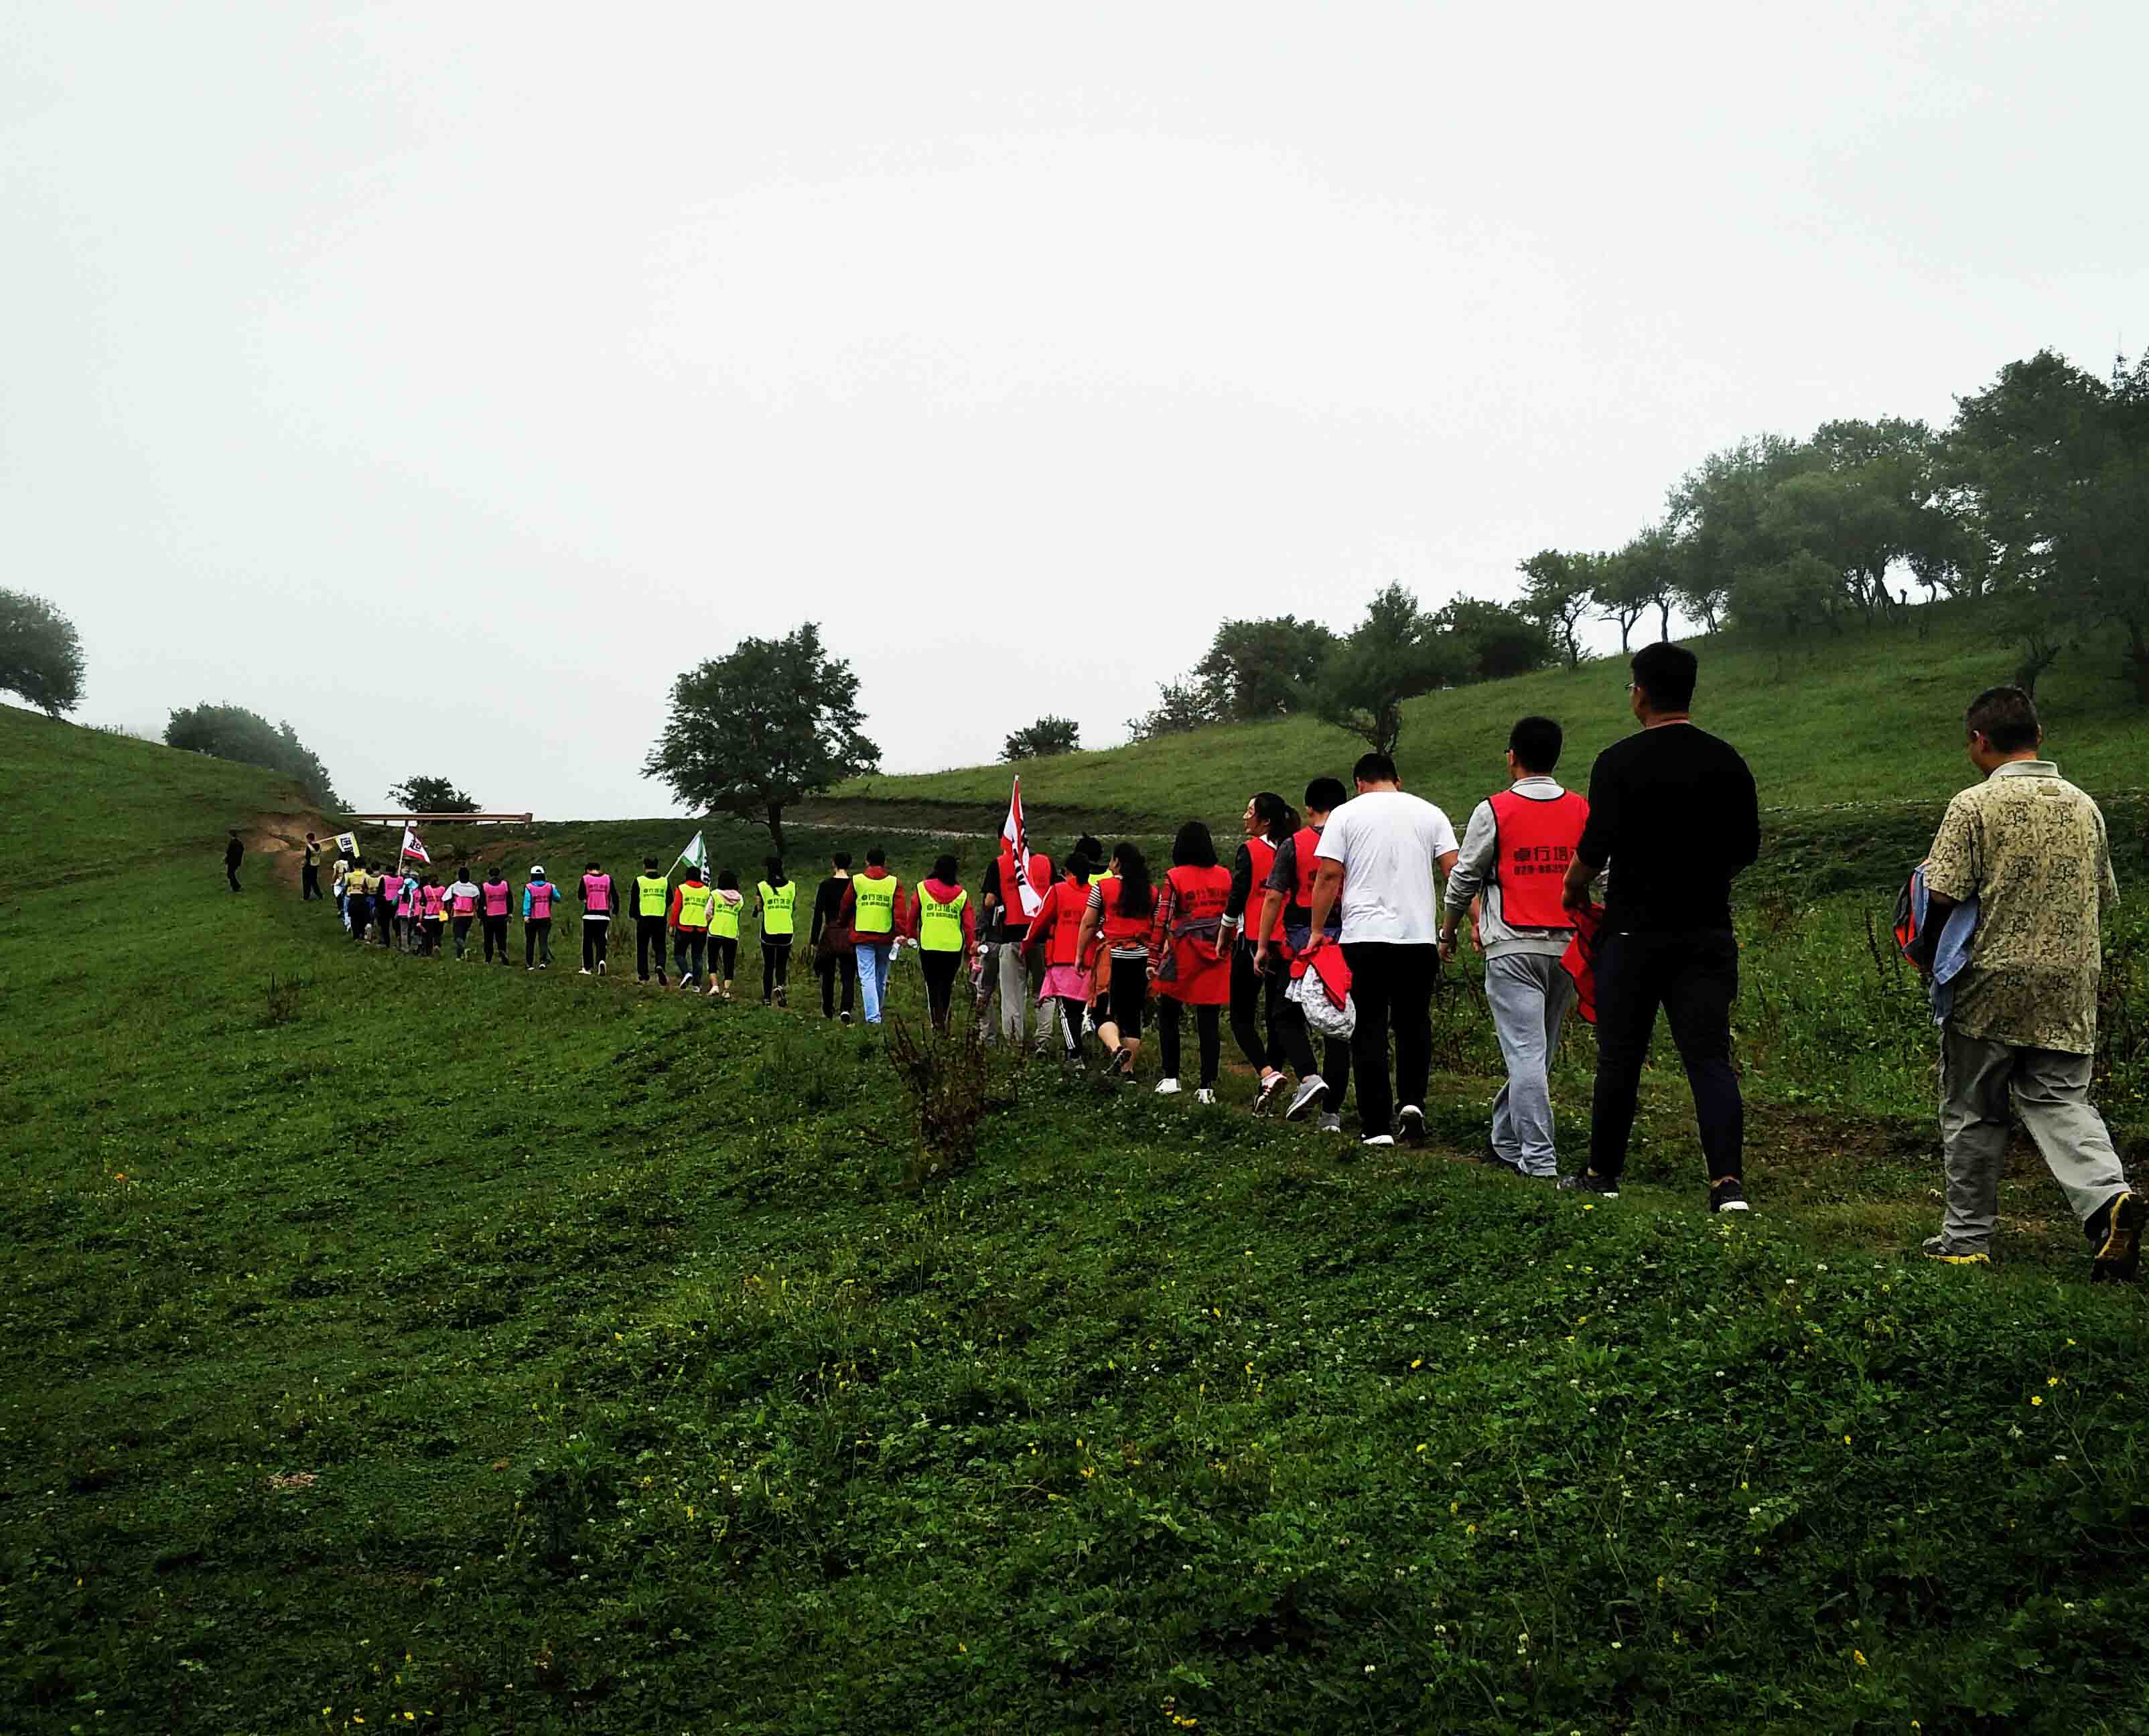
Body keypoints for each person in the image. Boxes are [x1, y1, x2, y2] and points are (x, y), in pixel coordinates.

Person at [1911, 685, 2140, 1277]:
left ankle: (1966, 1239)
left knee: (1975, 1109)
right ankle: (2107, 1199)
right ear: (2039, 737)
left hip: (1989, 983)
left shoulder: (1971, 807)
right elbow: (2102, 894)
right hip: (2070, 984)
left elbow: (1941, 893)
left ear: (1979, 742)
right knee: (2062, 1100)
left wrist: (1928, 953)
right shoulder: (2084, 806)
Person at [1556, 642, 1758, 1210]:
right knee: (1708, 1057)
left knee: (1619, 1056)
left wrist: (1572, 889)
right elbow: (1746, 847)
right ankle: (1727, 1185)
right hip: (1706, 931)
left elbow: (1595, 848)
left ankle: (1603, 1175)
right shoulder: (1727, 760)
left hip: (1632, 934)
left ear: (1640, 693)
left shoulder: (1617, 761)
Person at [1440, 717, 1590, 1180]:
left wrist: (1447, 931)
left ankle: (1539, 1162)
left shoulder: (1495, 810)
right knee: (1536, 1055)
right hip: (1567, 945)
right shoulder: (1583, 810)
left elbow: (1464, 877)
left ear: (1512, 757)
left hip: (1512, 944)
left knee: (1525, 1055)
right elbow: (1602, 877)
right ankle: (1505, 1142)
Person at [1305, 752, 1460, 1149]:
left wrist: (1318, 929)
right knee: (1413, 1024)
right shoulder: (1431, 813)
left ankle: (1376, 1127)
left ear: (1358, 782)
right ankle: (1412, 1102)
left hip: (1364, 939)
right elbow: (1455, 872)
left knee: (1369, 1028)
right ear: (1398, 780)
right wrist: (1463, 924)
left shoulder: (1345, 815)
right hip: (1418, 938)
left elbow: (1329, 874)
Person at [1253, 776, 1353, 1134]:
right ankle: (1332, 1116)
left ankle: (1309, 1076)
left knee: (1284, 1015)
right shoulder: (1354, 841)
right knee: (1338, 1026)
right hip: (1347, 940)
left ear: (1308, 807)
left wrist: (1263, 945)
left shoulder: (1294, 844)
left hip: (1301, 941)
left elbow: (1274, 896)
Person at [1150, 822, 1233, 1100]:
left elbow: (1163, 919)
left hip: (1182, 955)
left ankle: (1171, 1077)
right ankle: (1207, 1086)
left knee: (1169, 1014)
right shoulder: (1224, 876)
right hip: (1217, 954)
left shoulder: (1174, 876)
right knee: (1208, 1021)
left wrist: (1152, 957)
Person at [1225, 793, 1296, 1112]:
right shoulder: (1295, 847)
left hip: (1253, 940)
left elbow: (1238, 895)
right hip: (1290, 942)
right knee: (1277, 1015)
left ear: (1265, 820)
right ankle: (1274, 1075)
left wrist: (1225, 932)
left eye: (1250, 812)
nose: (1244, 817)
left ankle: (1267, 1073)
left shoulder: (1251, 851)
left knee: (1241, 1016)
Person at [1076, 841, 1155, 1080]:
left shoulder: (1103, 887)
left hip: (1112, 957)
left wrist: (1080, 953)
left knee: (1100, 1012)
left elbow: (1089, 923)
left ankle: (1116, 1049)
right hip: (1141, 957)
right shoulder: (1151, 891)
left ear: (1117, 863)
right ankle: (1127, 1072)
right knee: (1132, 1015)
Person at [1023, 849, 1099, 1060]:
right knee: (1081, 1009)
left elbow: (1039, 921)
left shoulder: (1058, 891)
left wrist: (1025, 945)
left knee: (1066, 1011)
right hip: (1089, 961)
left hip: (1062, 961)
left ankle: (1074, 1056)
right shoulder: (1096, 893)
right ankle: (1079, 1052)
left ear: (1070, 873)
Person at [977, 837, 1052, 1048]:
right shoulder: (1046, 862)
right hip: (1041, 936)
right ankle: (1043, 1040)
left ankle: (1014, 1042)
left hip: (1012, 937)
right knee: (1043, 990)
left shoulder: (999, 864)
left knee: (1012, 994)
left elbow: (989, 901)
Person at [839, 849, 906, 1024]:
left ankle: (873, 1018)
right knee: (881, 977)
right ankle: (877, 1011)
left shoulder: (857, 881)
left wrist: (842, 923)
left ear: (866, 862)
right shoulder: (894, 883)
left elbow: (846, 905)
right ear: (885, 863)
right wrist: (901, 933)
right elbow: (900, 912)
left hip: (862, 936)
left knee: (867, 977)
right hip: (885, 936)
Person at [914, 853, 979, 1032]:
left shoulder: (921, 888)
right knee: (946, 985)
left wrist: (911, 936)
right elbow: (969, 925)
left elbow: (912, 914)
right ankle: (943, 1018)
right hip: (952, 949)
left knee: (932, 985)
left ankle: (936, 1020)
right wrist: (970, 948)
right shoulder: (962, 894)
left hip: (929, 945)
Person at [811, 853, 859, 1023]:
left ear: (834, 864)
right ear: (850, 865)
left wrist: (814, 939)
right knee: (848, 974)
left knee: (828, 974)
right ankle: (846, 1008)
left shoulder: (825, 885)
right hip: (848, 933)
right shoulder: (855, 885)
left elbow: (818, 913)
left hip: (830, 932)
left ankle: (828, 1009)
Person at [755, 858, 798, 1005]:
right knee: (781, 964)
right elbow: (793, 905)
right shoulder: (792, 886)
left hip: (769, 931)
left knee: (768, 965)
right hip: (786, 930)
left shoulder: (762, 886)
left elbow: (759, 907)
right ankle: (779, 986)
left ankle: (767, 998)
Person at [669, 864, 713, 989]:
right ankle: (696, 986)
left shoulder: (682, 889)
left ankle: (686, 973)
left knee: (679, 953)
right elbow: (710, 909)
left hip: (684, 927)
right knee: (698, 956)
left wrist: (672, 925)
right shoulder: (707, 890)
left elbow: (676, 909)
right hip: (701, 928)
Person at [632, 856, 671, 987]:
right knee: (660, 946)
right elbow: (670, 898)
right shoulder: (664, 882)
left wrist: (635, 915)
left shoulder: (639, 881)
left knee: (642, 947)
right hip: (660, 918)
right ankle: (660, 966)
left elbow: (635, 900)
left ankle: (643, 976)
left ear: (645, 866)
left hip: (644, 918)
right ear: (657, 865)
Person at [705, 870, 744, 999]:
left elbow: (708, 913)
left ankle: (715, 986)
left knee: (712, 959)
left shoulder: (715, 894)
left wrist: (708, 923)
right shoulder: (740, 899)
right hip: (732, 933)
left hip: (715, 932)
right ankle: (727, 990)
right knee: (729, 962)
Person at [579, 861, 613, 974]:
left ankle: (587, 968)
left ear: (588, 870)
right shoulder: (608, 879)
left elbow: (581, 895)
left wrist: (586, 899)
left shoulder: (585, 879)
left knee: (587, 941)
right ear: (599, 869)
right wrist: (615, 909)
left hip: (589, 914)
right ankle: (601, 961)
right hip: (604, 915)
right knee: (601, 940)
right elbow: (614, 895)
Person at [522, 865, 555, 969]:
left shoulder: (529, 887)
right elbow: (557, 898)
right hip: (545, 917)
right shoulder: (550, 886)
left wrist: (526, 914)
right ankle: (543, 961)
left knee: (530, 941)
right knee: (543, 940)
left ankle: (529, 964)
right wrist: (553, 889)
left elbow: (527, 901)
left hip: (532, 918)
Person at [445, 865, 482, 960]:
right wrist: (477, 915)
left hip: (458, 914)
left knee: (457, 936)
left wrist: (448, 915)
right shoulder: (473, 888)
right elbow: (476, 902)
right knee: (463, 934)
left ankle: (464, 949)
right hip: (469, 915)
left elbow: (446, 900)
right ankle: (459, 956)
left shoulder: (454, 887)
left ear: (459, 876)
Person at [481, 866, 514, 964]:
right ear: (499, 874)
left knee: (488, 939)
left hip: (489, 917)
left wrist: (481, 916)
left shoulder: (485, 886)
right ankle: (502, 952)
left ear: (489, 875)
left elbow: (481, 902)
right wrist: (510, 913)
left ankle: (488, 959)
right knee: (502, 937)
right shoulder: (505, 884)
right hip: (502, 915)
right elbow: (510, 900)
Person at [374, 862, 405, 949]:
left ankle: (387, 942)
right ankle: (398, 939)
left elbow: (380, 893)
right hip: (398, 904)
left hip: (385, 904)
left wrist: (377, 905)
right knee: (397, 924)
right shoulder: (401, 879)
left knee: (385, 924)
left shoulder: (384, 879)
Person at [344, 858, 372, 943]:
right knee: (363, 917)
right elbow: (369, 888)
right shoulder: (366, 876)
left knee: (354, 918)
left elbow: (346, 885)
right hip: (363, 898)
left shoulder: (349, 875)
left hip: (353, 898)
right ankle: (364, 934)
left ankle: (356, 937)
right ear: (362, 867)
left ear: (353, 866)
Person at [419, 875, 447, 954]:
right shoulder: (443, 889)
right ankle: (437, 945)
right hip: (441, 914)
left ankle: (429, 951)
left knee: (429, 934)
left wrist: (421, 915)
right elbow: (445, 902)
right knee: (438, 933)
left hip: (429, 915)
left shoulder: (425, 889)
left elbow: (423, 903)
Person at [302, 833, 322, 901]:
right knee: (314, 881)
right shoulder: (319, 845)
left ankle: (306, 897)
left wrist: (303, 864)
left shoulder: (309, 847)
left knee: (306, 882)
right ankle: (320, 895)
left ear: (309, 839)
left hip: (309, 866)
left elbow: (307, 858)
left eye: (307, 839)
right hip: (316, 865)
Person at [224, 830, 245, 894]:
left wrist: (226, 860)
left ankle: (236, 887)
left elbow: (229, 853)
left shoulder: (232, 843)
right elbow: (242, 850)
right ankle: (236, 886)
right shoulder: (239, 843)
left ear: (231, 836)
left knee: (230, 874)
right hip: (237, 861)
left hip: (232, 862)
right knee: (231, 874)